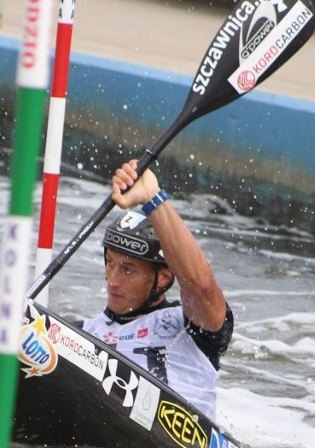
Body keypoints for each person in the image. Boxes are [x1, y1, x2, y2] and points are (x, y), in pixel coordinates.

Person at [80, 159, 233, 420]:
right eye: (110, 264)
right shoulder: (82, 333)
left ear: (163, 277)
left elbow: (202, 287)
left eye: (128, 270)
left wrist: (152, 197)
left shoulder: (190, 327)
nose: (113, 280)